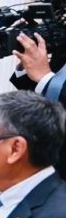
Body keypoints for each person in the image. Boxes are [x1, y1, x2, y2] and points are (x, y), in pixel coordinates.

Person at [9, 31, 66, 178]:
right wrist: (27, 66)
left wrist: (45, 78)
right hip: (43, 149)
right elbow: (43, 92)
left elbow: (48, 80)